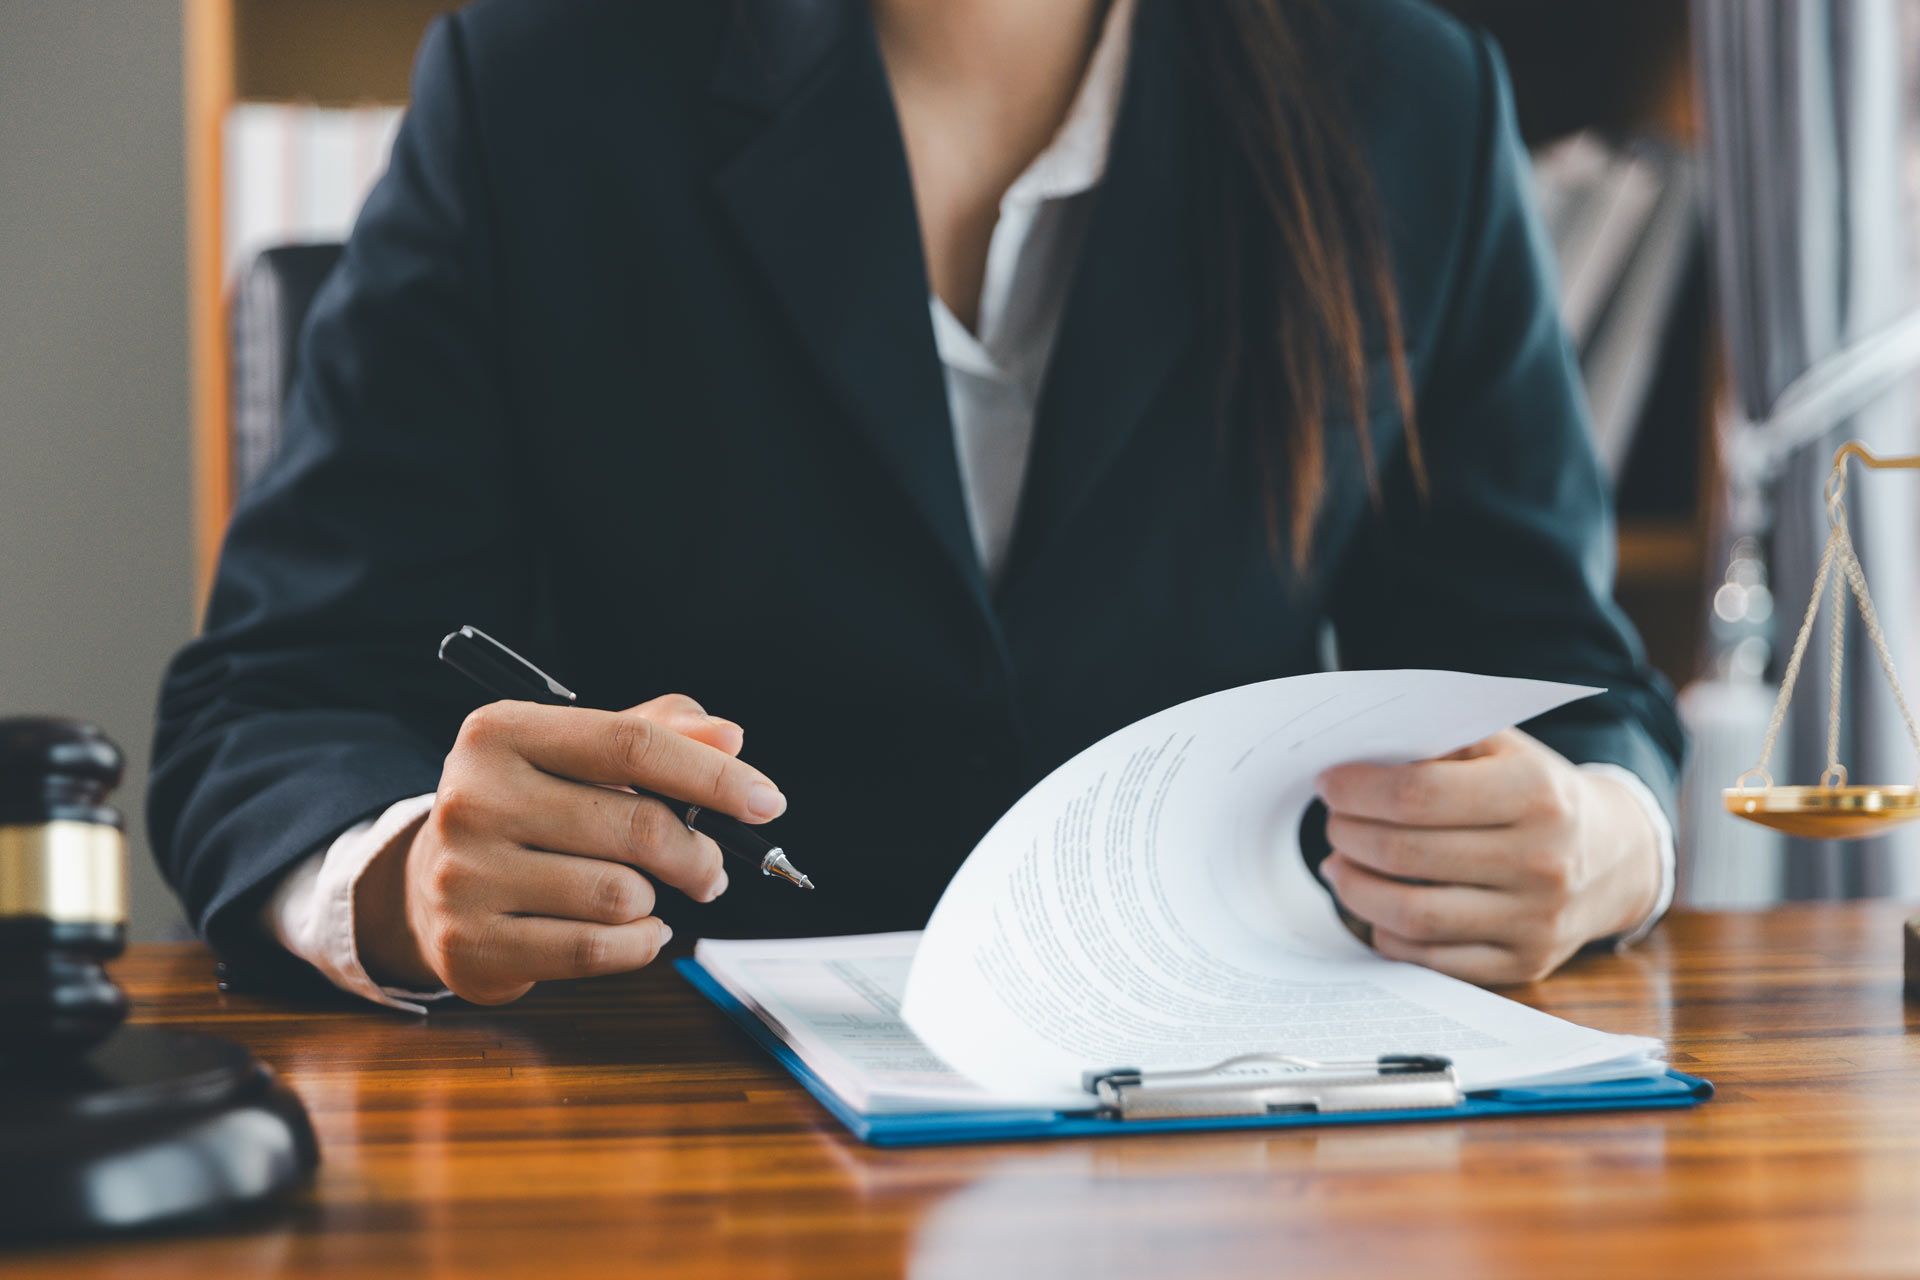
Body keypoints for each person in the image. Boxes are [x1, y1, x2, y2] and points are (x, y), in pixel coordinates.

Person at [151, 0, 1684, 1012]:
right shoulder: (543, 78)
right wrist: (413, 876)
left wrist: (1604, 835)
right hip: (685, 1143)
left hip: (1227, 1119)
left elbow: (1557, 671)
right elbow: (275, 699)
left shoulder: (1402, 96)